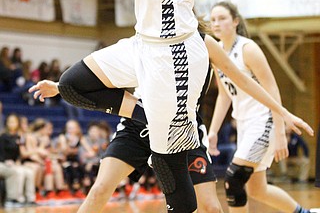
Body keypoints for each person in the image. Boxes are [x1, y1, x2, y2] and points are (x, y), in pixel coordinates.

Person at [29, 0, 243, 212]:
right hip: (143, 44)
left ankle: (155, 123)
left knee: (168, 167)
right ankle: (144, 115)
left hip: (173, 53)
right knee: (72, 84)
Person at [29, 24, 314, 213]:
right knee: (100, 188)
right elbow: (104, 73)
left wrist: (282, 111)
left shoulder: (204, 43)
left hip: (183, 129)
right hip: (139, 124)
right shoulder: (147, 38)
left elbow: (242, 80)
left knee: (210, 207)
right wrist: (60, 86)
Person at [208, 1, 317, 213]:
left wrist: (280, 132)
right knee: (258, 190)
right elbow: (224, 95)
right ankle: (304, 212)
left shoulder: (248, 49)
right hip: (244, 123)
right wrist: (213, 131)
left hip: (263, 120)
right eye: (213, 20)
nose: (216, 24)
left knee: (234, 178)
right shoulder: (217, 52)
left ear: (236, 21)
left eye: (222, 18)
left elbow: (273, 90)